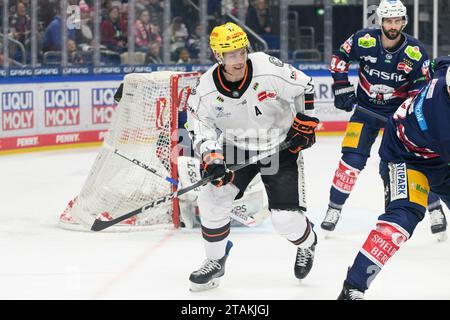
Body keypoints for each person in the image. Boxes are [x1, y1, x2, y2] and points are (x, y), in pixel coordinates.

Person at [186, 22, 319, 291]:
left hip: (278, 147)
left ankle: (307, 243)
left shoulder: (267, 67)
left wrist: (304, 123)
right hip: (237, 147)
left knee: (285, 221)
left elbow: (305, 87)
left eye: (242, 51)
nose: (239, 59)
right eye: (231, 54)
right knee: (212, 201)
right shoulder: (205, 89)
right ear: (218, 56)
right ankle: (215, 261)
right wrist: (212, 157)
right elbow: (198, 123)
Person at [320, 0, 447, 240]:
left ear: (404, 21)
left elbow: (421, 87)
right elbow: (339, 58)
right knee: (351, 161)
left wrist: (406, 114)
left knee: (418, 161)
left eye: (397, 20)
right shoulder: (363, 39)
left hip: (398, 117)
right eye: (388, 20)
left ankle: (435, 209)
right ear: (380, 21)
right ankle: (333, 209)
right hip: (365, 112)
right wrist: (340, 87)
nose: (393, 25)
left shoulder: (415, 51)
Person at [337, 56, 450, 300]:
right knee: (401, 220)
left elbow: (436, 64)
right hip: (405, 158)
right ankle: (353, 288)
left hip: (435, 155)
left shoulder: (445, 74)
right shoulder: (443, 123)